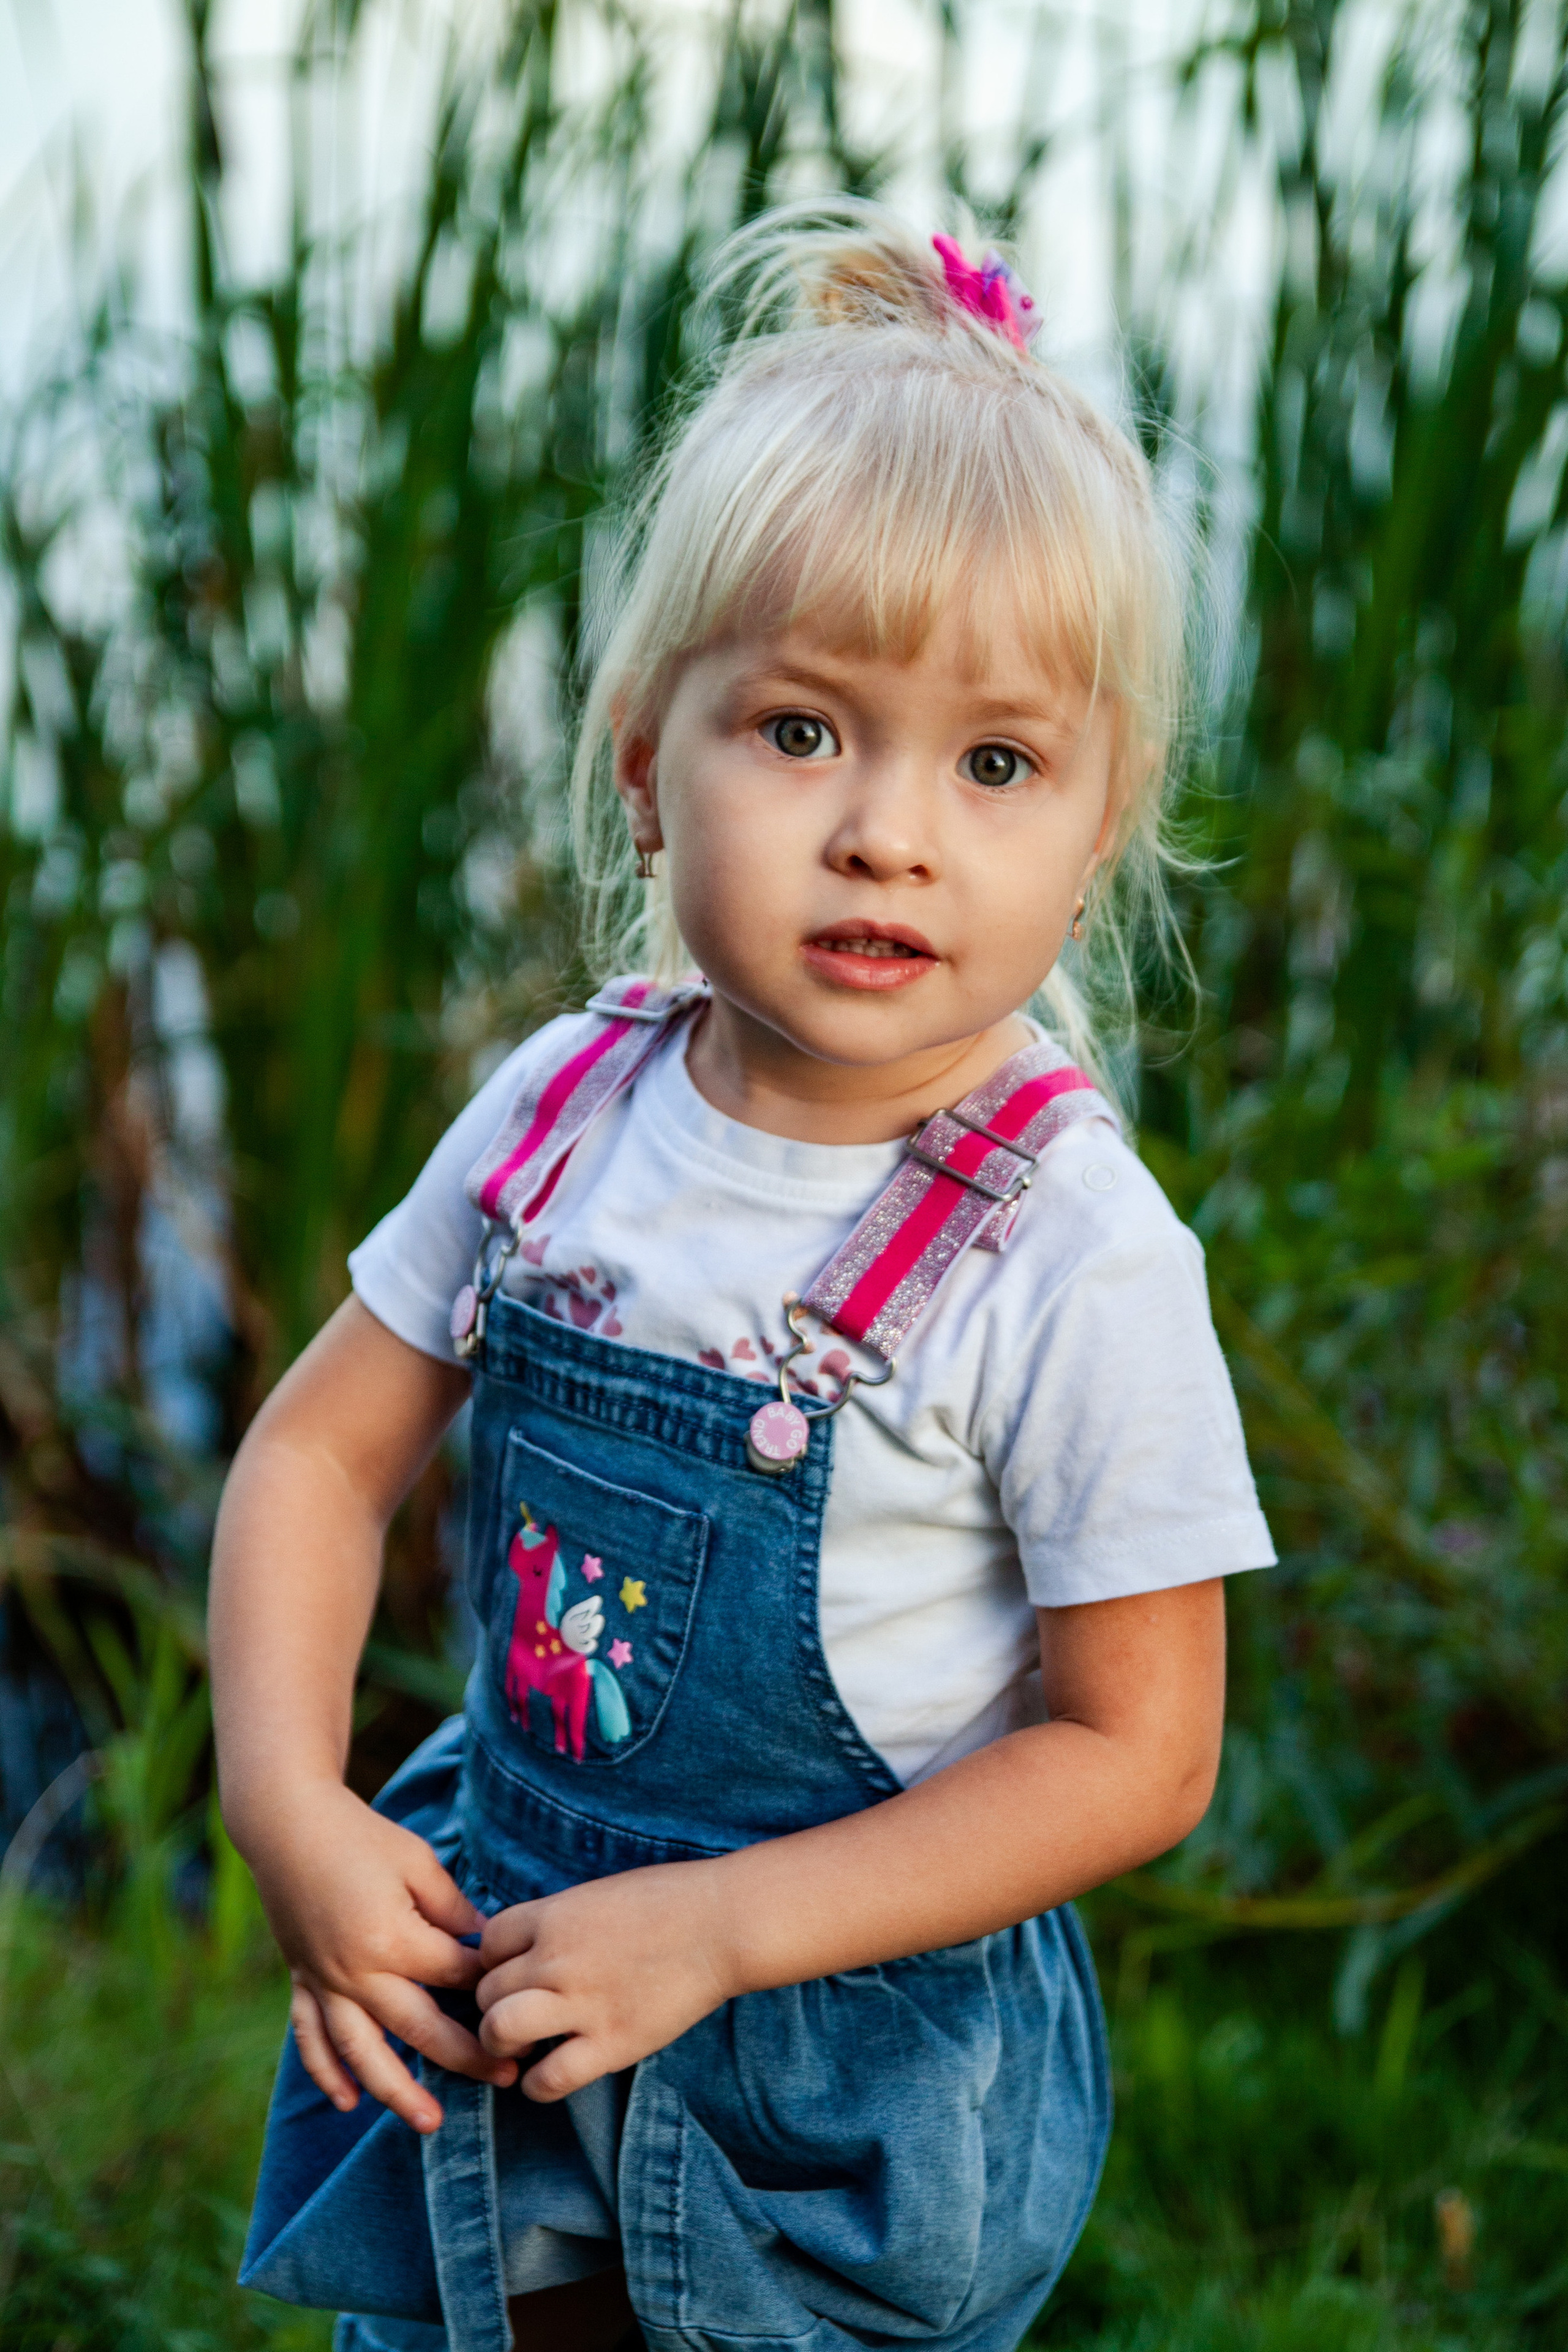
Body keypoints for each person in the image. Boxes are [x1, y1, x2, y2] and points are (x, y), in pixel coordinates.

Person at [213, 203, 1275, 2352]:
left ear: (1097, 826)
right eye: (800, 732)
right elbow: (322, 1462)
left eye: (994, 765)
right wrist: (288, 1803)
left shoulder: (1069, 1252)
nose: (890, 831)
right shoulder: (560, 1117)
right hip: (501, 1956)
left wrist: (724, 1927)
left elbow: (1138, 1753)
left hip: (835, 2080)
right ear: (640, 750)